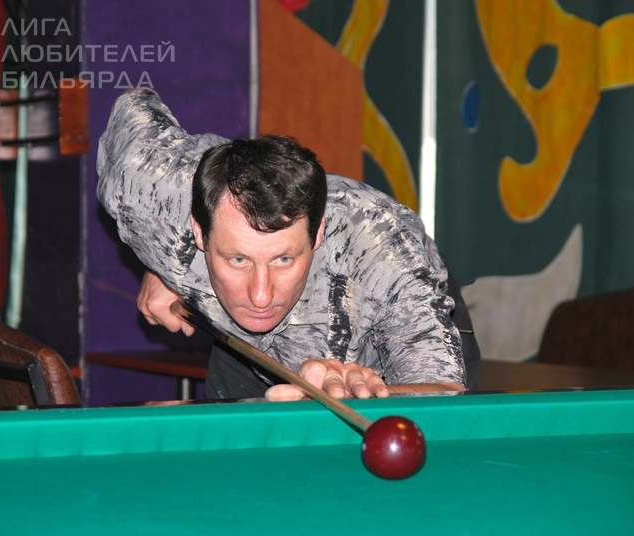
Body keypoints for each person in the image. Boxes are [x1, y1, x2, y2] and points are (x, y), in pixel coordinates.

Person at [97, 88, 480, 401]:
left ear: (317, 233)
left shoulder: (384, 257)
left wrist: (357, 394)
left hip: (374, 360)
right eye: (238, 260)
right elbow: (133, 103)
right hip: (243, 345)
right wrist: (163, 260)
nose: (260, 296)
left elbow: (443, 394)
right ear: (199, 233)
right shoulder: (150, 193)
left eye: (283, 259)